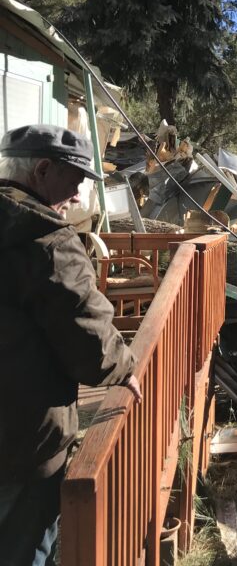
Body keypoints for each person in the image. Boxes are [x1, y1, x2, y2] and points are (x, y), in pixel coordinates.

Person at [0, 124, 142, 566]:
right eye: (75, 178)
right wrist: (126, 367)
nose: (78, 196)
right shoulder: (47, 241)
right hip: (22, 442)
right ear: (42, 170)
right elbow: (91, 344)